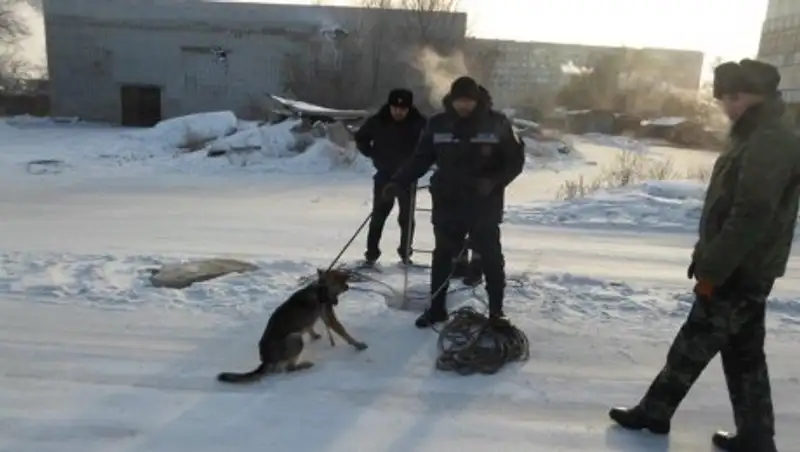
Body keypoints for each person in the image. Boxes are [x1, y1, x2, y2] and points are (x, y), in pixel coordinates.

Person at [609, 59, 800, 452]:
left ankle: (654, 412)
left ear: (760, 94)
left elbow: (753, 212)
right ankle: (756, 436)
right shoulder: (753, 133)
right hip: (742, 263)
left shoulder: (770, 139)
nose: (729, 106)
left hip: (741, 267)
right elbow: (725, 205)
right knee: (743, 353)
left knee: (694, 342)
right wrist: (706, 252)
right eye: (724, 98)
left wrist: (714, 267)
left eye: (737, 96)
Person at [384, 76, 525, 328]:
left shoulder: (497, 123)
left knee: (491, 257)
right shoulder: (438, 124)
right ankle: (437, 308)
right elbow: (421, 158)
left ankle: (496, 312)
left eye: (468, 101)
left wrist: (494, 181)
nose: (464, 106)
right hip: (448, 201)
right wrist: (398, 181)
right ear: (453, 99)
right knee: (442, 256)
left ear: (476, 100)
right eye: (460, 100)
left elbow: (515, 161)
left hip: (484, 203)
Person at [355, 88, 427, 266]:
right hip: (384, 174)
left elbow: (429, 146)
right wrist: (372, 154)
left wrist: (419, 165)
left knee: (406, 218)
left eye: (402, 109)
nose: (398, 112)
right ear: (390, 106)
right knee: (379, 215)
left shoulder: (420, 123)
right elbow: (361, 138)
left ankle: (405, 253)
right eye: (395, 108)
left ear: (409, 109)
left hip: (408, 176)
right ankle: (371, 253)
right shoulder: (378, 121)